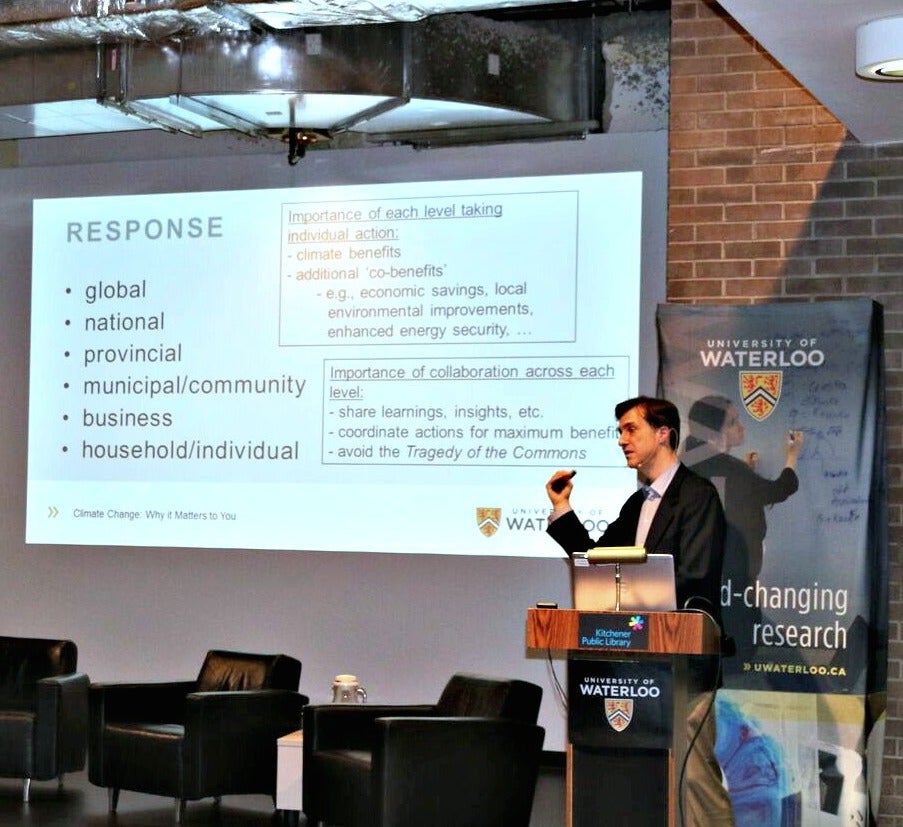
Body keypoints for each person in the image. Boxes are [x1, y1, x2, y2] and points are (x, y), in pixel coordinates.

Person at [546, 395, 733, 826]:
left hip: (684, 662)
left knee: (694, 781)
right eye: (619, 432)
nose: (622, 440)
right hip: (639, 662)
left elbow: (696, 575)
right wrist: (562, 507)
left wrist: (634, 601)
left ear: (663, 433)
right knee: (643, 780)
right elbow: (596, 559)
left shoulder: (697, 495)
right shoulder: (637, 504)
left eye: (631, 429)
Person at [681, 395, 803, 665]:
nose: (742, 427)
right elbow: (778, 490)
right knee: (740, 639)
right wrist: (792, 457)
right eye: (734, 422)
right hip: (735, 575)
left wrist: (746, 474)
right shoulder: (731, 469)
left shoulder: (688, 464)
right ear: (715, 431)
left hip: (701, 576)